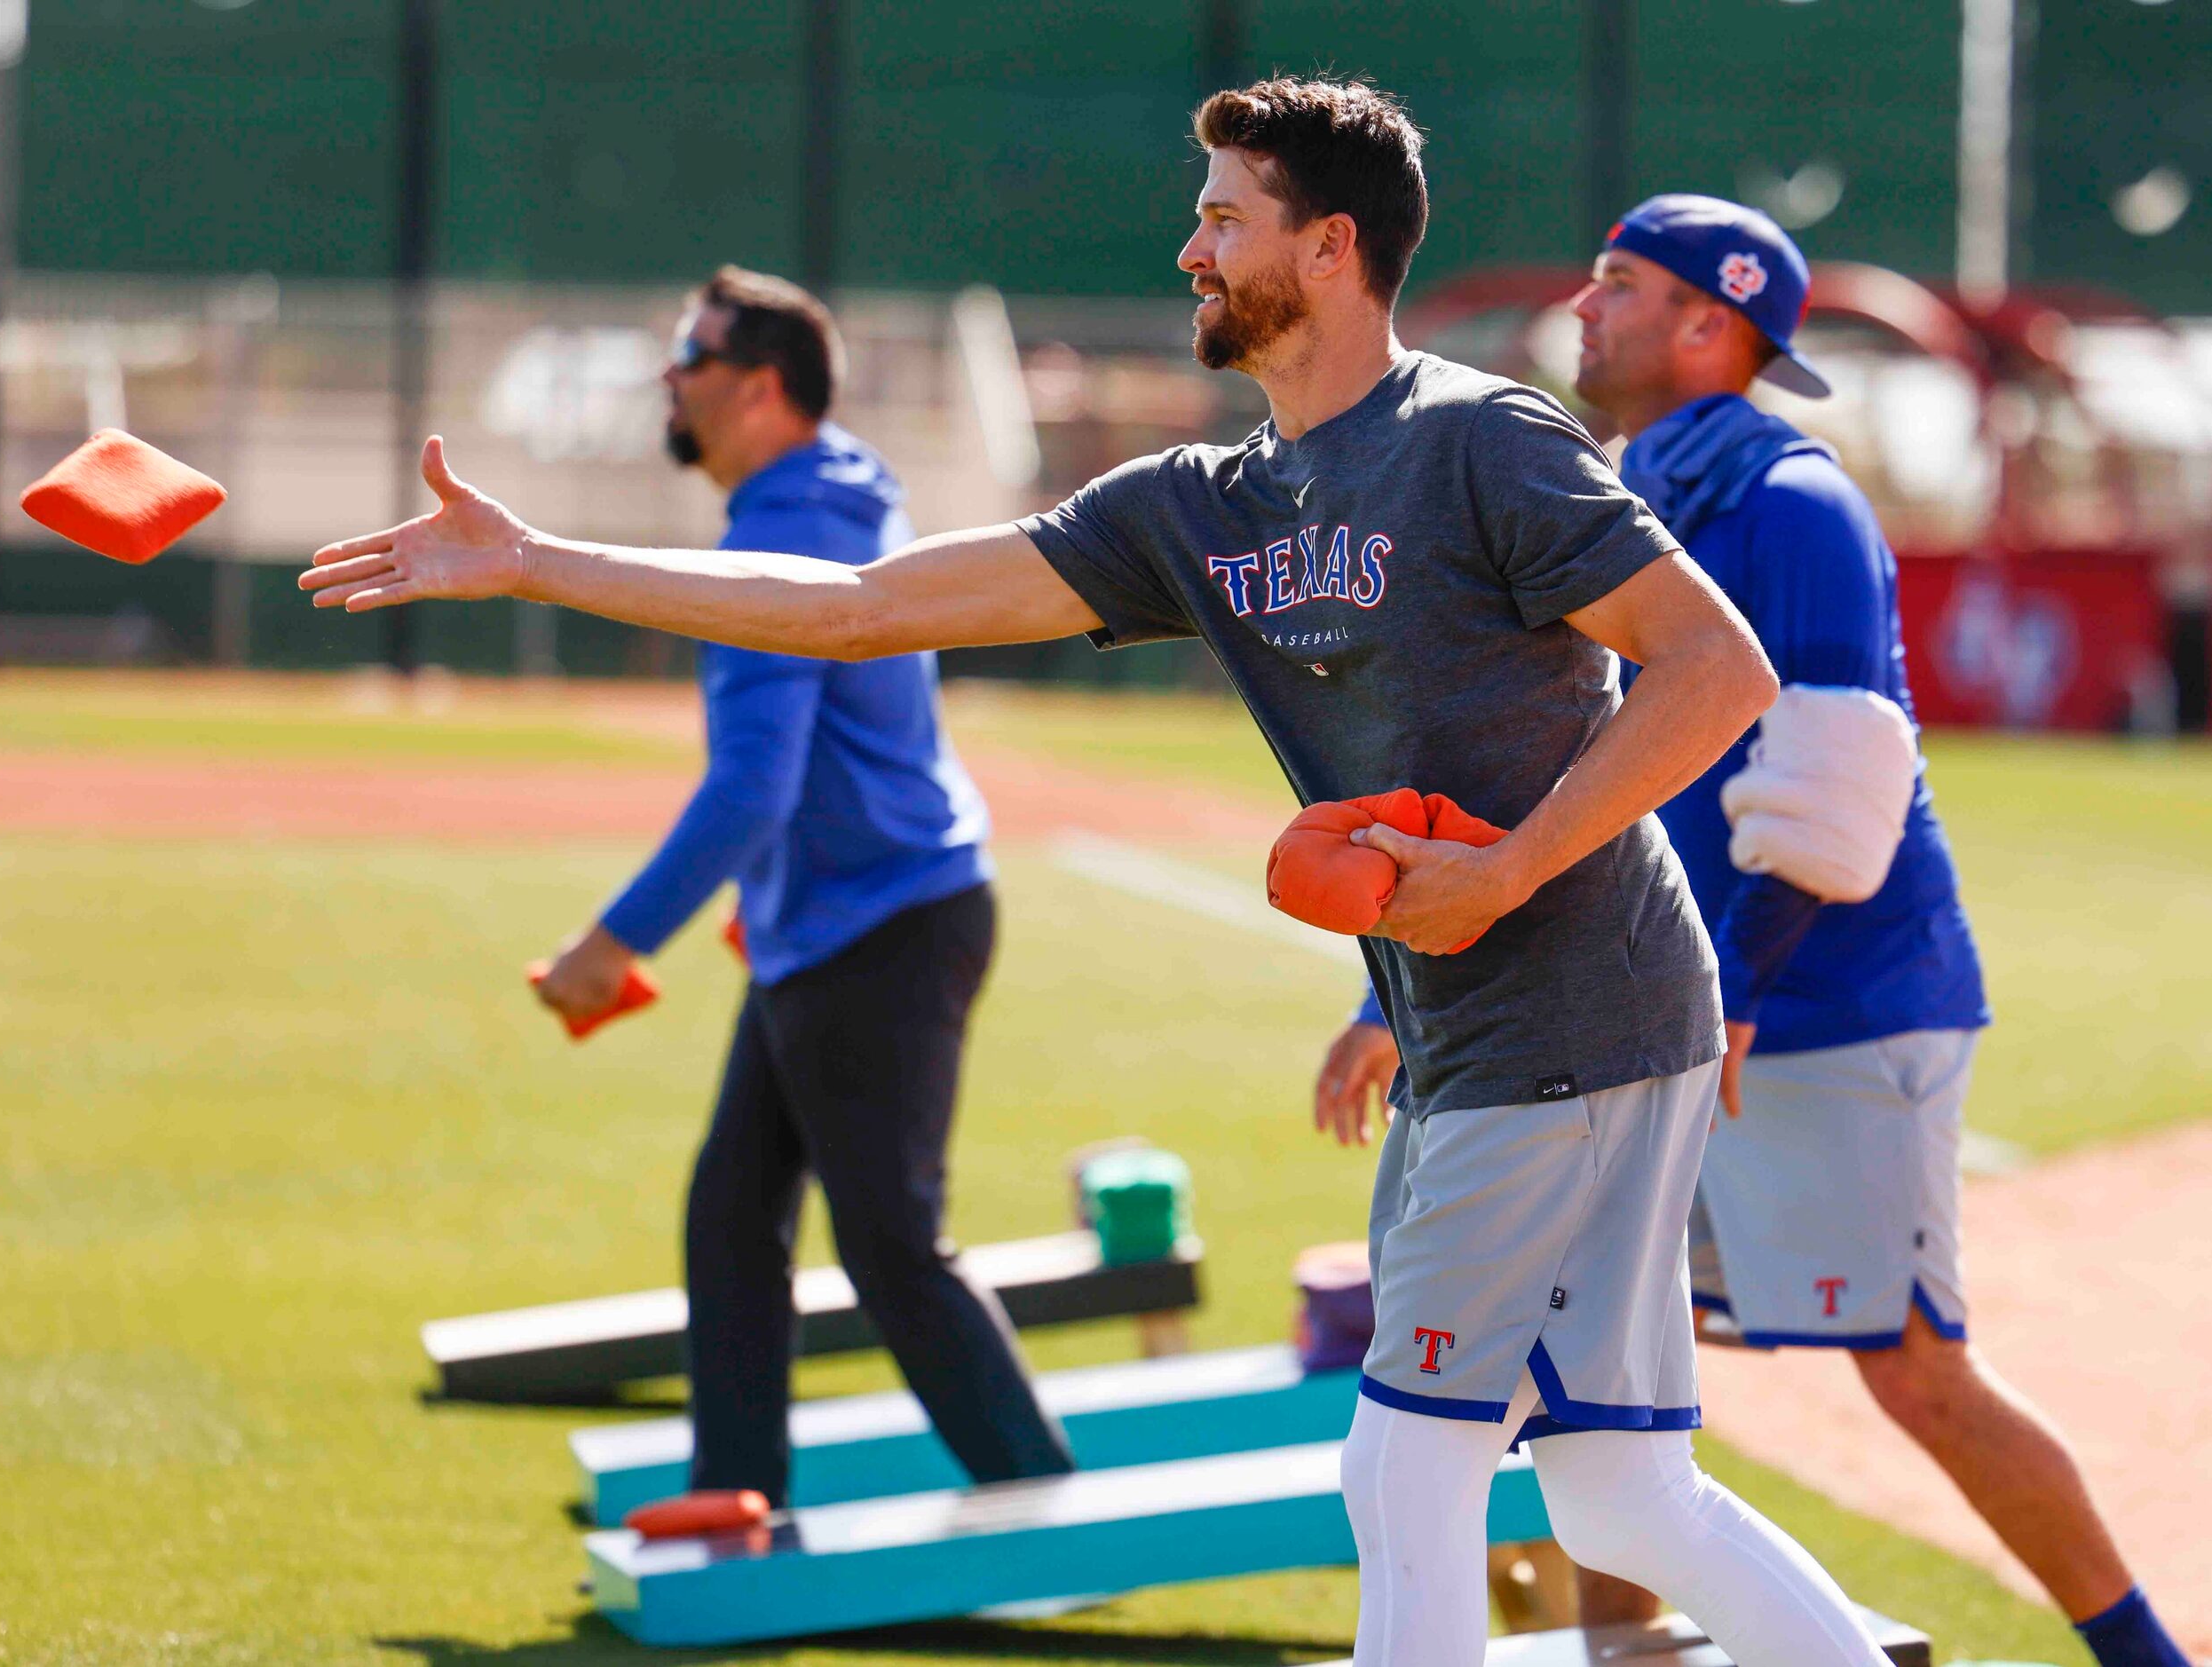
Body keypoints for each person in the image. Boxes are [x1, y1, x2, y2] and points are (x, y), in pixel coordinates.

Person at [302, 80, 1899, 1667]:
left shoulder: (1478, 442)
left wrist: (1505, 871)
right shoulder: (1200, 507)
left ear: (1330, 246)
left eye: (1222, 216)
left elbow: (1716, 668)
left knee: (1406, 1465)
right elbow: (861, 601)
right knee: (1617, 1492)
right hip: (1507, 1029)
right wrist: (537, 562)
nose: (1188, 247)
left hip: (1570, 1010)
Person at [1315, 194, 2189, 1667]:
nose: (1580, 310)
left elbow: (1842, 776)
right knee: (1577, 1352)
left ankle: (2147, 1658)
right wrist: (1401, 988)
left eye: (1615, 285)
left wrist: (1731, 996)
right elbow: (1556, 775)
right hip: (1662, 1008)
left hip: (1821, 1004)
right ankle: (1631, 1649)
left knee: (1912, 1371)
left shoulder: (1788, 500)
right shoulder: (1620, 490)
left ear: (1710, 323)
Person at [532, 265, 1073, 1508]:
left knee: (890, 1248)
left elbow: (750, 791)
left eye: (694, 355)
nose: (671, 374)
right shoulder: (824, 500)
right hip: (842, 917)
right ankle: (732, 1490)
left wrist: (610, 944)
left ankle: (1043, 1503)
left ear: (763, 391)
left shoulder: (780, 541)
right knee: (731, 1215)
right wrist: (763, 898)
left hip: (878, 923)